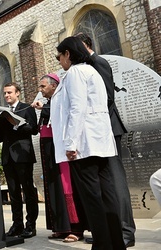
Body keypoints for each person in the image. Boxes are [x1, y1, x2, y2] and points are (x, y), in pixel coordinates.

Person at [51, 36, 125, 249]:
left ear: (68, 54)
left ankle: (102, 244)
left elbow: (77, 108)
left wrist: (71, 144)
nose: (60, 61)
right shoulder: (92, 71)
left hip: (84, 144)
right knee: (107, 194)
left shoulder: (75, 72)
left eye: (60, 56)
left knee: (92, 199)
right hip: (100, 141)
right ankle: (115, 243)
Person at [75, 32, 136, 248]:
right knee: (105, 184)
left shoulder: (97, 62)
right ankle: (111, 230)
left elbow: (106, 97)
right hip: (97, 133)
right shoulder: (86, 66)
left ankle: (125, 231)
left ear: (85, 45)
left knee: (115, 182)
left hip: (106, 129)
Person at [32, 74, 86, 243]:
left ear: (54, 86)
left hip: (61, 148)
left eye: (43, 86)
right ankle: (60, 227)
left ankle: (75, 229)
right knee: (54, 187)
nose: (40, 90)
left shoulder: (60, 99)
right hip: (48, 150)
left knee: (67, 186)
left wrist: (44, 108)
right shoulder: (49, 103)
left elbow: (66, 114)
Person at [0, 82, 39, 238]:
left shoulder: (27, 108)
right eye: (5, 93)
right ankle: (17, 225)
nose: (6, 95)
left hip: (23, 155)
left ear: (17, 93)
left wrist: (17, 123)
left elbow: (34, 129)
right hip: (7, 157)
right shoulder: (3, 113)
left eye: (9, 93)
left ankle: (31, 226)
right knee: (13, 193)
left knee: (28, 191)